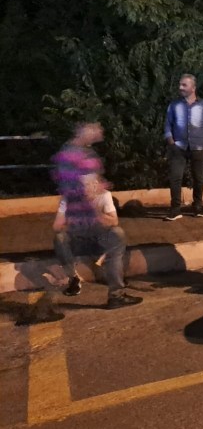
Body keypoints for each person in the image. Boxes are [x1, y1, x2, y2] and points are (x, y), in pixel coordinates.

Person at [51, 123, 142, 309]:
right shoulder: (71, 196)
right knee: (60, 238)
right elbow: (57, 226)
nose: (90, 184)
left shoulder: (103, 195)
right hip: (80, 237)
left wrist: (93, 209)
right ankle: (74, 279)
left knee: (117, 234)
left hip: (98, 239)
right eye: (86, 181)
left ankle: (116, 294)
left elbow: (113, 221)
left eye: (93, 180)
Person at [164, 73, 203, 220]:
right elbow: (168, 123)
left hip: (199, 147)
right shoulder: (174, 105)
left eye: (184, 85)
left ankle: (197, 206)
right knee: (175, 178)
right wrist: (170, 140)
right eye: (180, 84)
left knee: (198, 178)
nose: (180, 87)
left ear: (193, 88)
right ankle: (175, 209)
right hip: (178, 147)